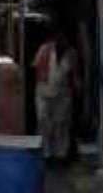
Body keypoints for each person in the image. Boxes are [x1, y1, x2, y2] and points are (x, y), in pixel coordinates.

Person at [32, 22, 80, 161]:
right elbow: (36, 69)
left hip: (63, 93)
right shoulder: (45, 49)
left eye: (64, 38)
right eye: (59, 37)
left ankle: (60, 153)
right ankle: (46, 152)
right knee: (43, 121)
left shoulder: (71, 53)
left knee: (61, 122)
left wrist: (76, 88)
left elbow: (75, 75)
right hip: (43, 91)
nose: (61, 40)